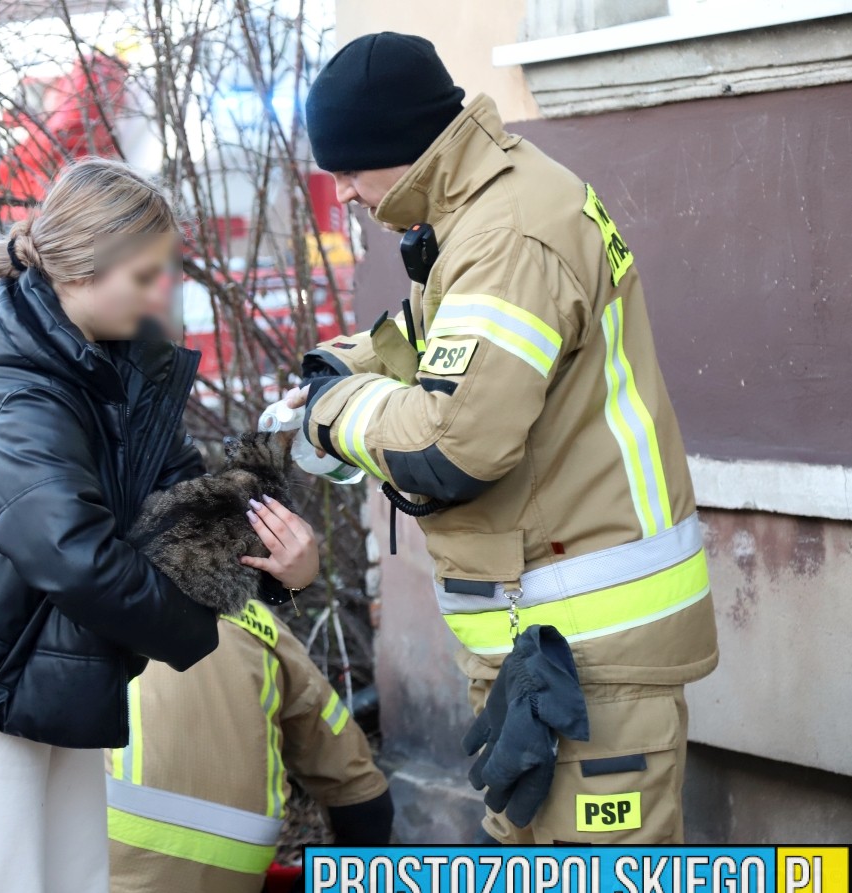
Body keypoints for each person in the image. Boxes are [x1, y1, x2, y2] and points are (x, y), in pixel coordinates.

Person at [291, 32, 718, 845]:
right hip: (551, 647)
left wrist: (334, 414)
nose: (341, 192)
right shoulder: (479, 208)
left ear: (402, 149)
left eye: (347, 169)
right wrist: (336, 366)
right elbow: (445, 349)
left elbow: (452, 446)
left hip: (587, 653)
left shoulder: (507, 234)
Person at [0, 158, 320, 893]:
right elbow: (71, 556)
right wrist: (192, 632)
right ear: (80, 272)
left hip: (54, 683)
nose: (161, 293)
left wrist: (278, 554)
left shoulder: (111, 371)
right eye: (144, 276)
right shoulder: (15, 390)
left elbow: (180, 512)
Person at [106, 598, 393, 893]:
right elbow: (366, 801)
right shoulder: (262, 628)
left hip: (100, 879)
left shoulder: (76, 594)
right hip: (231, 887)